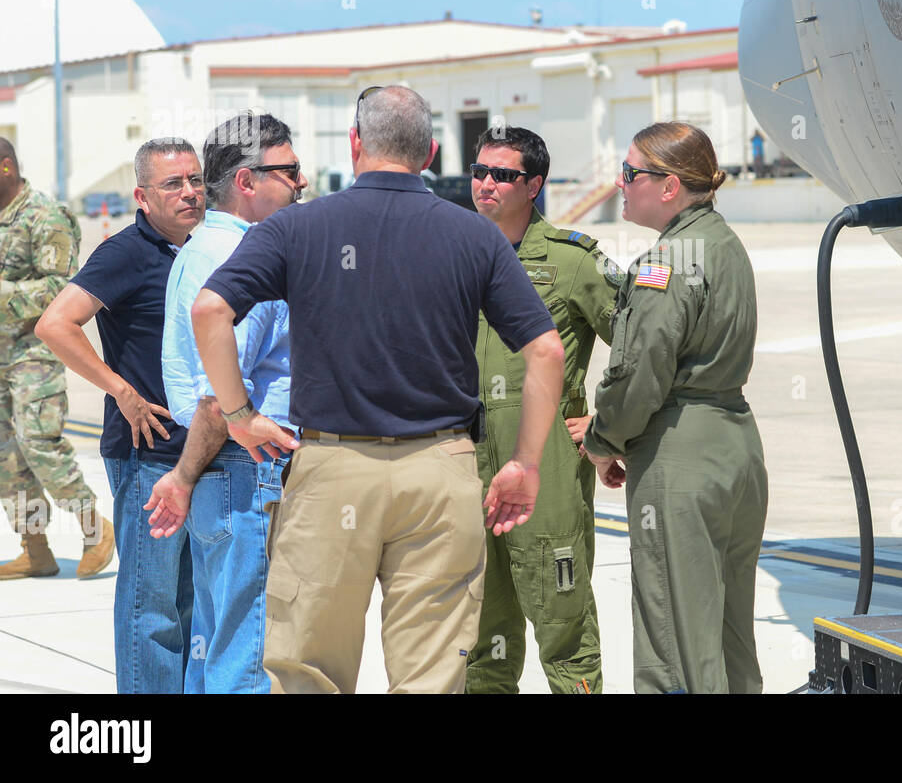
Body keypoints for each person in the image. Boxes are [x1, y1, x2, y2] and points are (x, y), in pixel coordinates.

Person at [189, 85, 565, 694]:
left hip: (332, 469)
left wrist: (238, 415)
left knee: (308, 668)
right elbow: (546, 350)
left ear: (355, 143)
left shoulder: (297, 227)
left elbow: (210, 311)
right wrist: (524, 463)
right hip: (440, 472)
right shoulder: (475, 236)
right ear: (432, 152)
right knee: (430, 673)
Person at [583, 121, 768, 694]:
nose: (621, 183)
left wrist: (602, 440)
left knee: (674, 643)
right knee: (729, 635)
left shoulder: (667, 260)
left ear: (668, 186)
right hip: (735, 446)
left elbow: (640, 373)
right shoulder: (724, 244)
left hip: (679, 453)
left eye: (631, 172)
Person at [144, 113, 306, 693]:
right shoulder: (243, 256)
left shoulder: (202, 246)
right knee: (250, 650)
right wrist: (186, 475)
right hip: (247, 467)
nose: (302, 182)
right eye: (287, 171)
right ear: (246, 180)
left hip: (222, 469)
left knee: (214, 643)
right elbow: (221, 391)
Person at [37, 138, 204, 694]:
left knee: (190, 605)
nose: (190, 192)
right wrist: (121, 392)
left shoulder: (207, 248)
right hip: (148, 456)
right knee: (150, 608)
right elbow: (55, 324)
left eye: (195, 180)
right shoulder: (125, 252)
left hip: (205, 454)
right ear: (142, 196)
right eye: (173, 184)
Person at [464, 126, 620, 695]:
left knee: (562, 619)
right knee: (482, 627)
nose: (485, 184)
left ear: (533, 185)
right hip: (467, 463)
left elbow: (643, 341)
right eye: (478, 171)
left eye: (502, 175)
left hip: (546, 466)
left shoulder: (572, 261)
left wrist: (606, 424)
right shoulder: (455, 253)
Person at [0, 138, 114, 580]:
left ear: (6, 167)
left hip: (34, 353)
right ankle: (35, 548)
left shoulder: (45, 216)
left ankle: (94, 530)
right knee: (7, 457)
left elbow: (64, 289)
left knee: (39, 445)